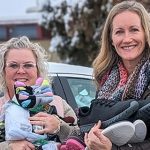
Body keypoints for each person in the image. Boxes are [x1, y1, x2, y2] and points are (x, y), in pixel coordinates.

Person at [85, 1, 150, 150]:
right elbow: (97, 124)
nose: (127, 39)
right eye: (119, 31)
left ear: (146, 34)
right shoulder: (105, 78)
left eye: (134, 30)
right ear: (111, 40)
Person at [0, 36, 80, 150]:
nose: (21, 71)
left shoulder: (58, 104)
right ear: (3, 71)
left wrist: (60, 127)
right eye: (13, 65)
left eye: (28, 65)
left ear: (38, 70)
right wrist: (9, 147)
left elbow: (82, 139)